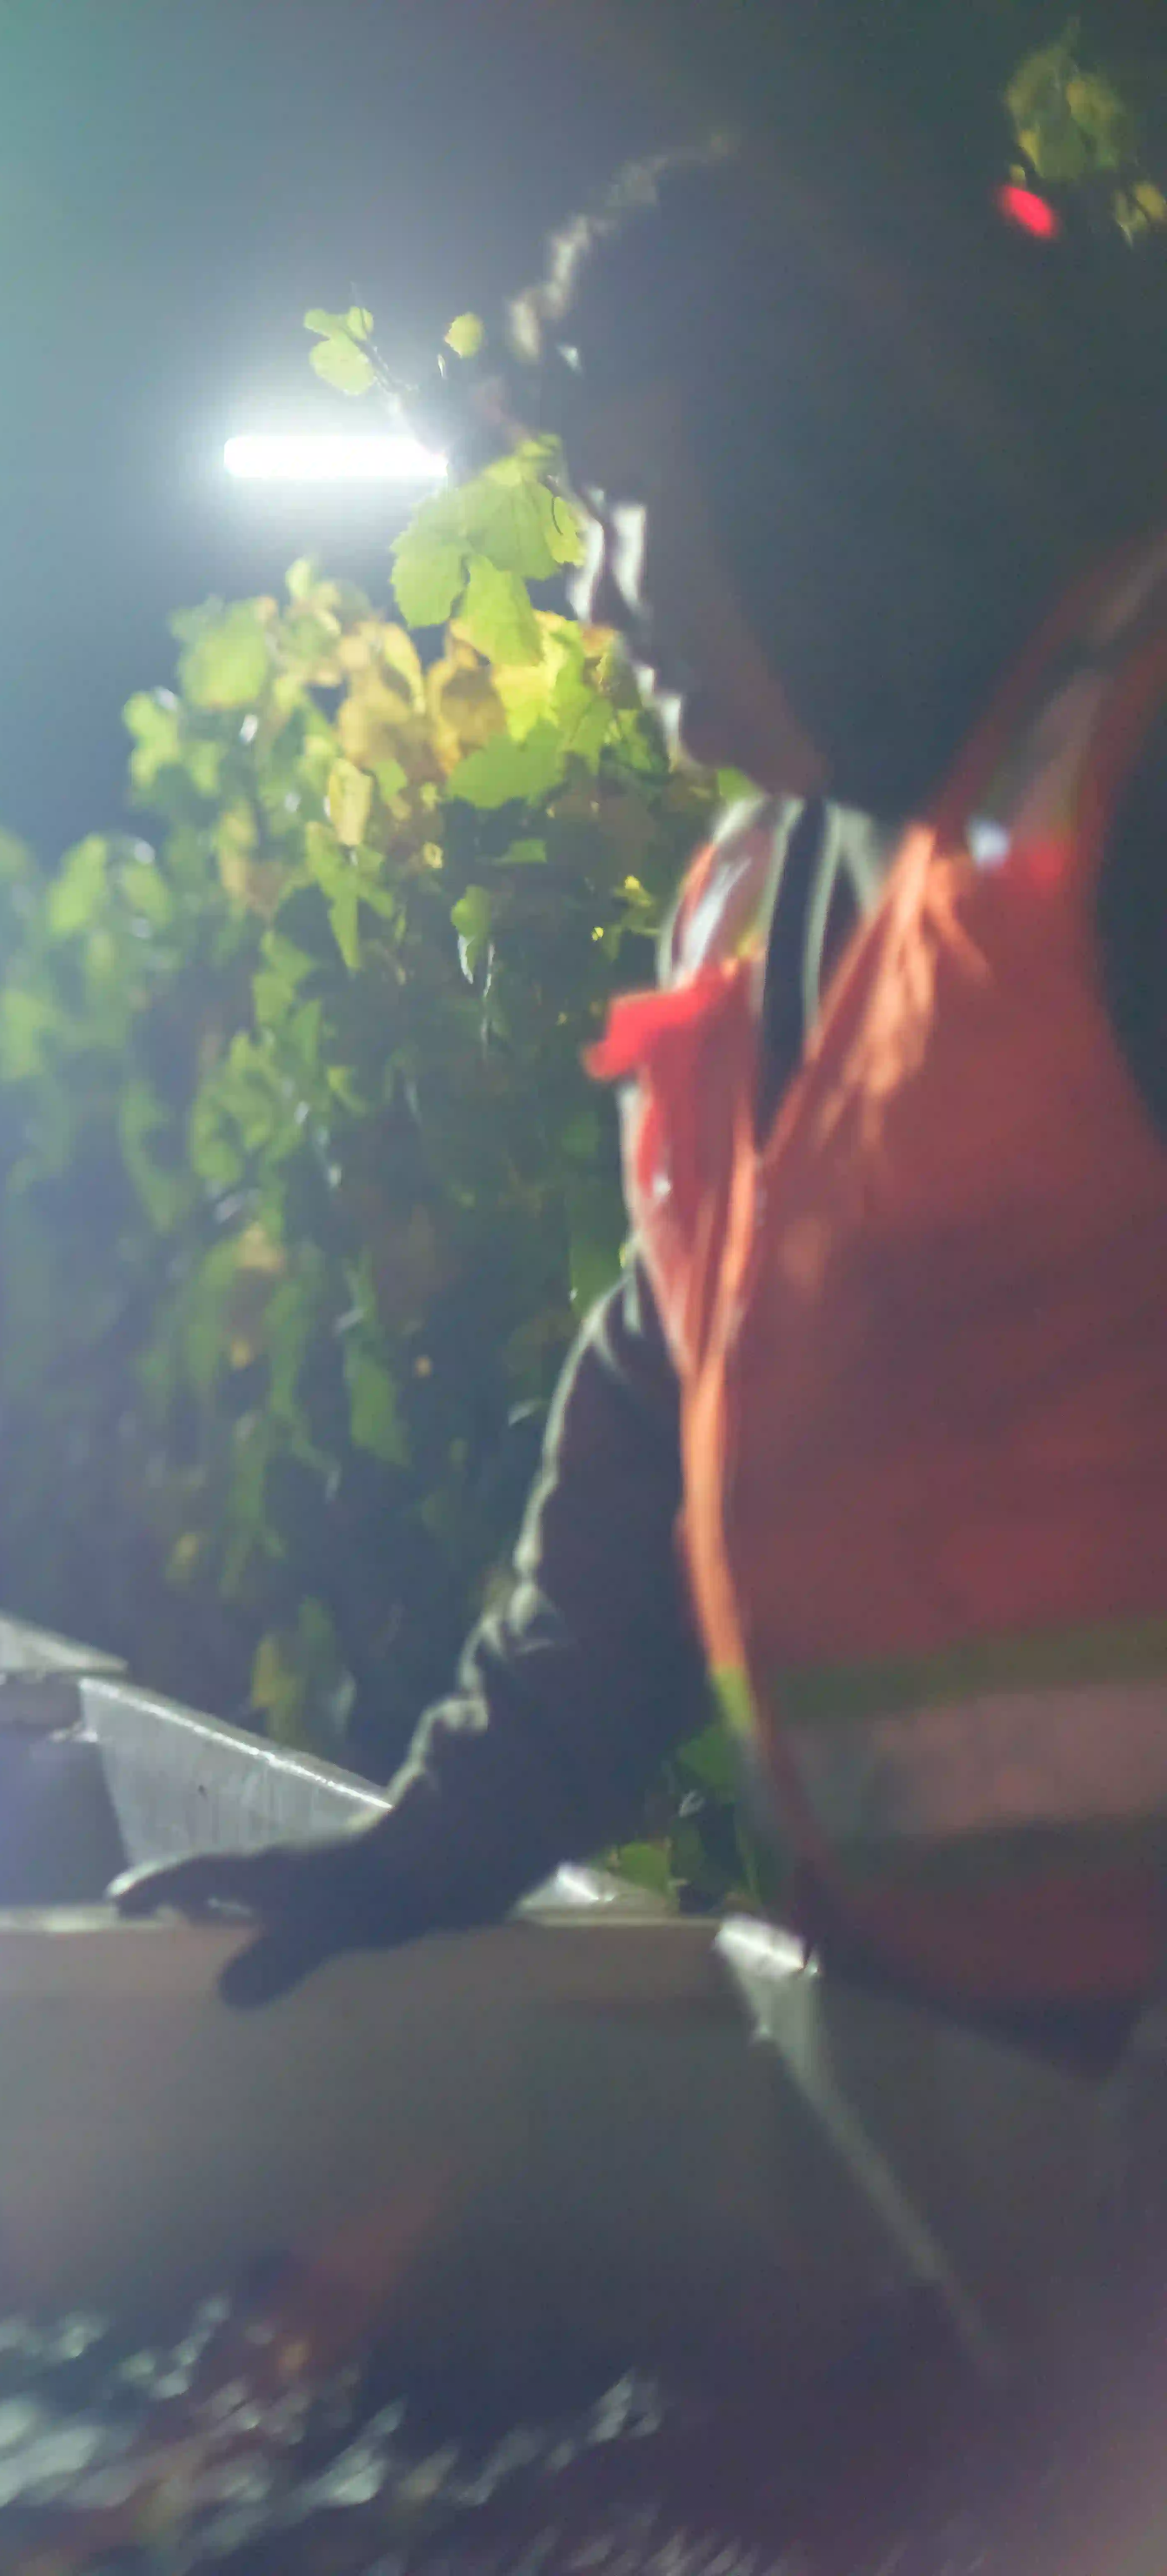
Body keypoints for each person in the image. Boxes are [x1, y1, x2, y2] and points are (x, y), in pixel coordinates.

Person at [114, 128, 1167, 2031]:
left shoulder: (1133, 785)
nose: (593, 593)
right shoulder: (764, 889)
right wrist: (439, 1843)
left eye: (619, 502)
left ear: (808, 474)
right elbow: (674, 1384)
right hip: (972, 2066)